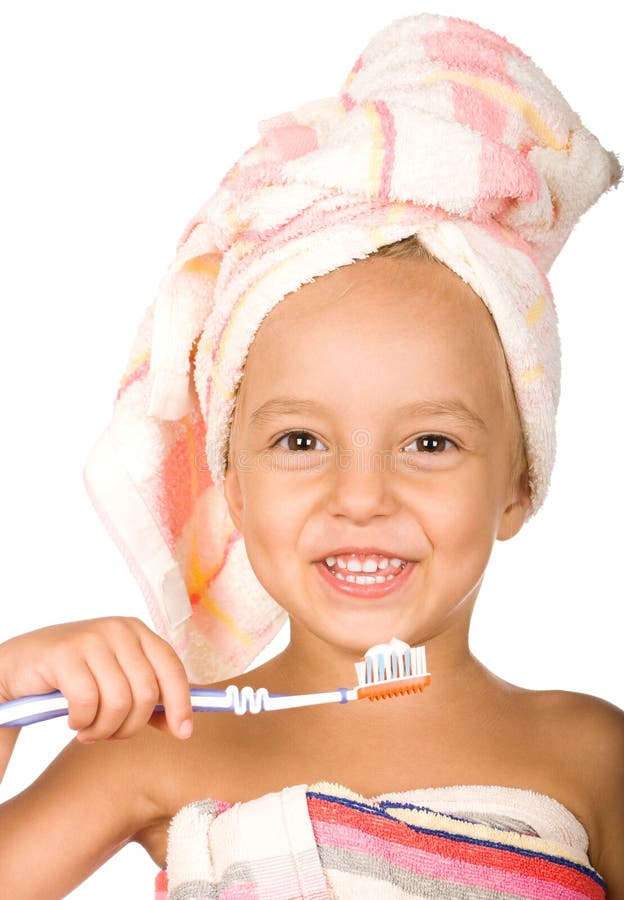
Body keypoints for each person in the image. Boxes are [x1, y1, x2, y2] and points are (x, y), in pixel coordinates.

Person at [1, 11, 622, 899]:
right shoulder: (159, 747)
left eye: (429, 442)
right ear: (232, 486)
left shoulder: (591, 756)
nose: (360, 495)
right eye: (300, 441)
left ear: (520, 484)